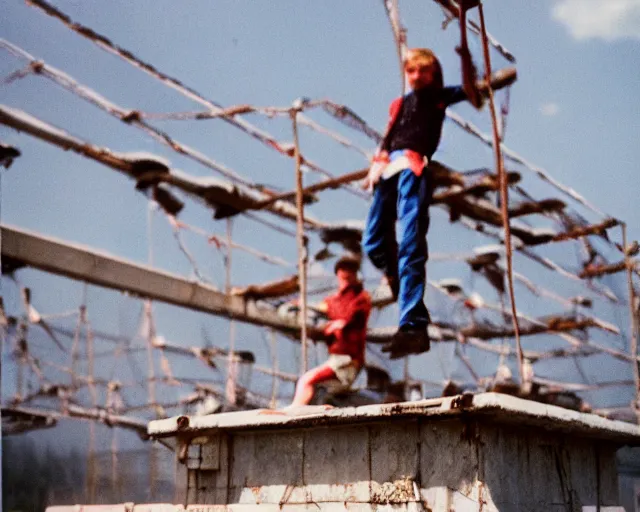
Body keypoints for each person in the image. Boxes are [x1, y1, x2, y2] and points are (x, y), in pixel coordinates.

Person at [362, 1, 483, 359]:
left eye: (421, 71)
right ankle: (407, 296)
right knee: (374, 243)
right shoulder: (399, 104)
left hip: (414, 167)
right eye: (410, 70)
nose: (415, 75)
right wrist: (376, 164)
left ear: (432, 74)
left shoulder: (437, 98)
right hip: (389, 169)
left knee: (411, 241)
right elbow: (387, 139)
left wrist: (464, 53)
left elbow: (472, 91)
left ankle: (412, 324)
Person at [287, 255, 371, 407]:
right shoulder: (333, 300)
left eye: (349, 270)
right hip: (337, 358)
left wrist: (339, 324)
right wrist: (302, 305)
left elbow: (352, 317)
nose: (345, 274)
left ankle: (295, 410)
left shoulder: (361, 298)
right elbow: (321, 308)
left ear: (354, 274)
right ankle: (303, 408)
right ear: (337, 274)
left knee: (308, 380)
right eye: (342, 270)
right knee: (312, 383)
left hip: (348, 360)